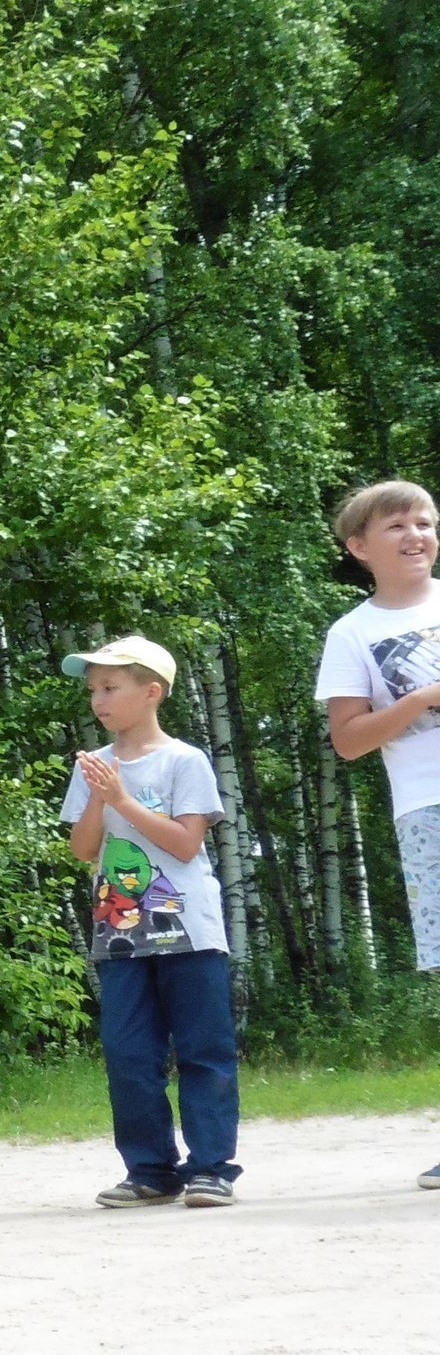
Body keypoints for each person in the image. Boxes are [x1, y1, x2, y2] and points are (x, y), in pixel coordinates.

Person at [56, 637, 241, 1207]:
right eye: (93, 690)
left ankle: (211, 1169)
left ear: (152, 692)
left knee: (203, 1050)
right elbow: (83, 850)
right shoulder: (94, 766)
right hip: (119, 935)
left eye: (111, 687)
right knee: (129, 1054)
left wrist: (122, 799)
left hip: (190, 933)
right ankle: (151, 1170)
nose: (98, 700)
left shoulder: (184, 760)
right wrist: (98, 795)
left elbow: (185, 843)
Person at [314, 479, 440, 1191]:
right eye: (396, 526)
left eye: (424, 522)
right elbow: (350, 740)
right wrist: (423, 698)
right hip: (427, 808)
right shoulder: (351, 633)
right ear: (359, 547)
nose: (415, 534)